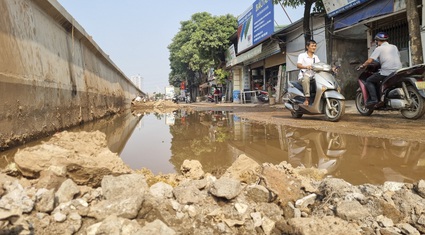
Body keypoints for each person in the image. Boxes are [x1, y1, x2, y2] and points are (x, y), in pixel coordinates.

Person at [359, 32, 402, 107]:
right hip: (398, 70)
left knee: (369, 80)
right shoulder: (394, 47)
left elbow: (370, 60)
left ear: (377, 41)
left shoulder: (379, 48)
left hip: (387, 72)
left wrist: (363, 65)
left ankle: (374, 99)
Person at [297, 39, 320, 106]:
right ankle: (307, 99)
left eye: (315, 46)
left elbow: (319, 65)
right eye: (312, 46)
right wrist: (306, 67)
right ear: (307, 47)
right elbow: (298, 65)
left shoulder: (316, 57)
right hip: (303, 77)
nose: (314, 47)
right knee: (306, 79)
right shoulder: (302, 55)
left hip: (313, 77)